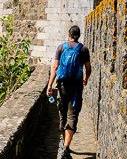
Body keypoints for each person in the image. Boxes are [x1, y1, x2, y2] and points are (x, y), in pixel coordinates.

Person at [47, 25, 91, 159]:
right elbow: (88, 68)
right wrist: (85, 79)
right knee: (73, 115)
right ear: (79, 35)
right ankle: (66, 148)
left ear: (69, 34)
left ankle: (62, 140)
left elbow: (54, 67)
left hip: (62, 86)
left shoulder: (61, 48)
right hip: (76, 86)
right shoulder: (83, 49)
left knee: (62, 113)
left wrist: (49, 85)